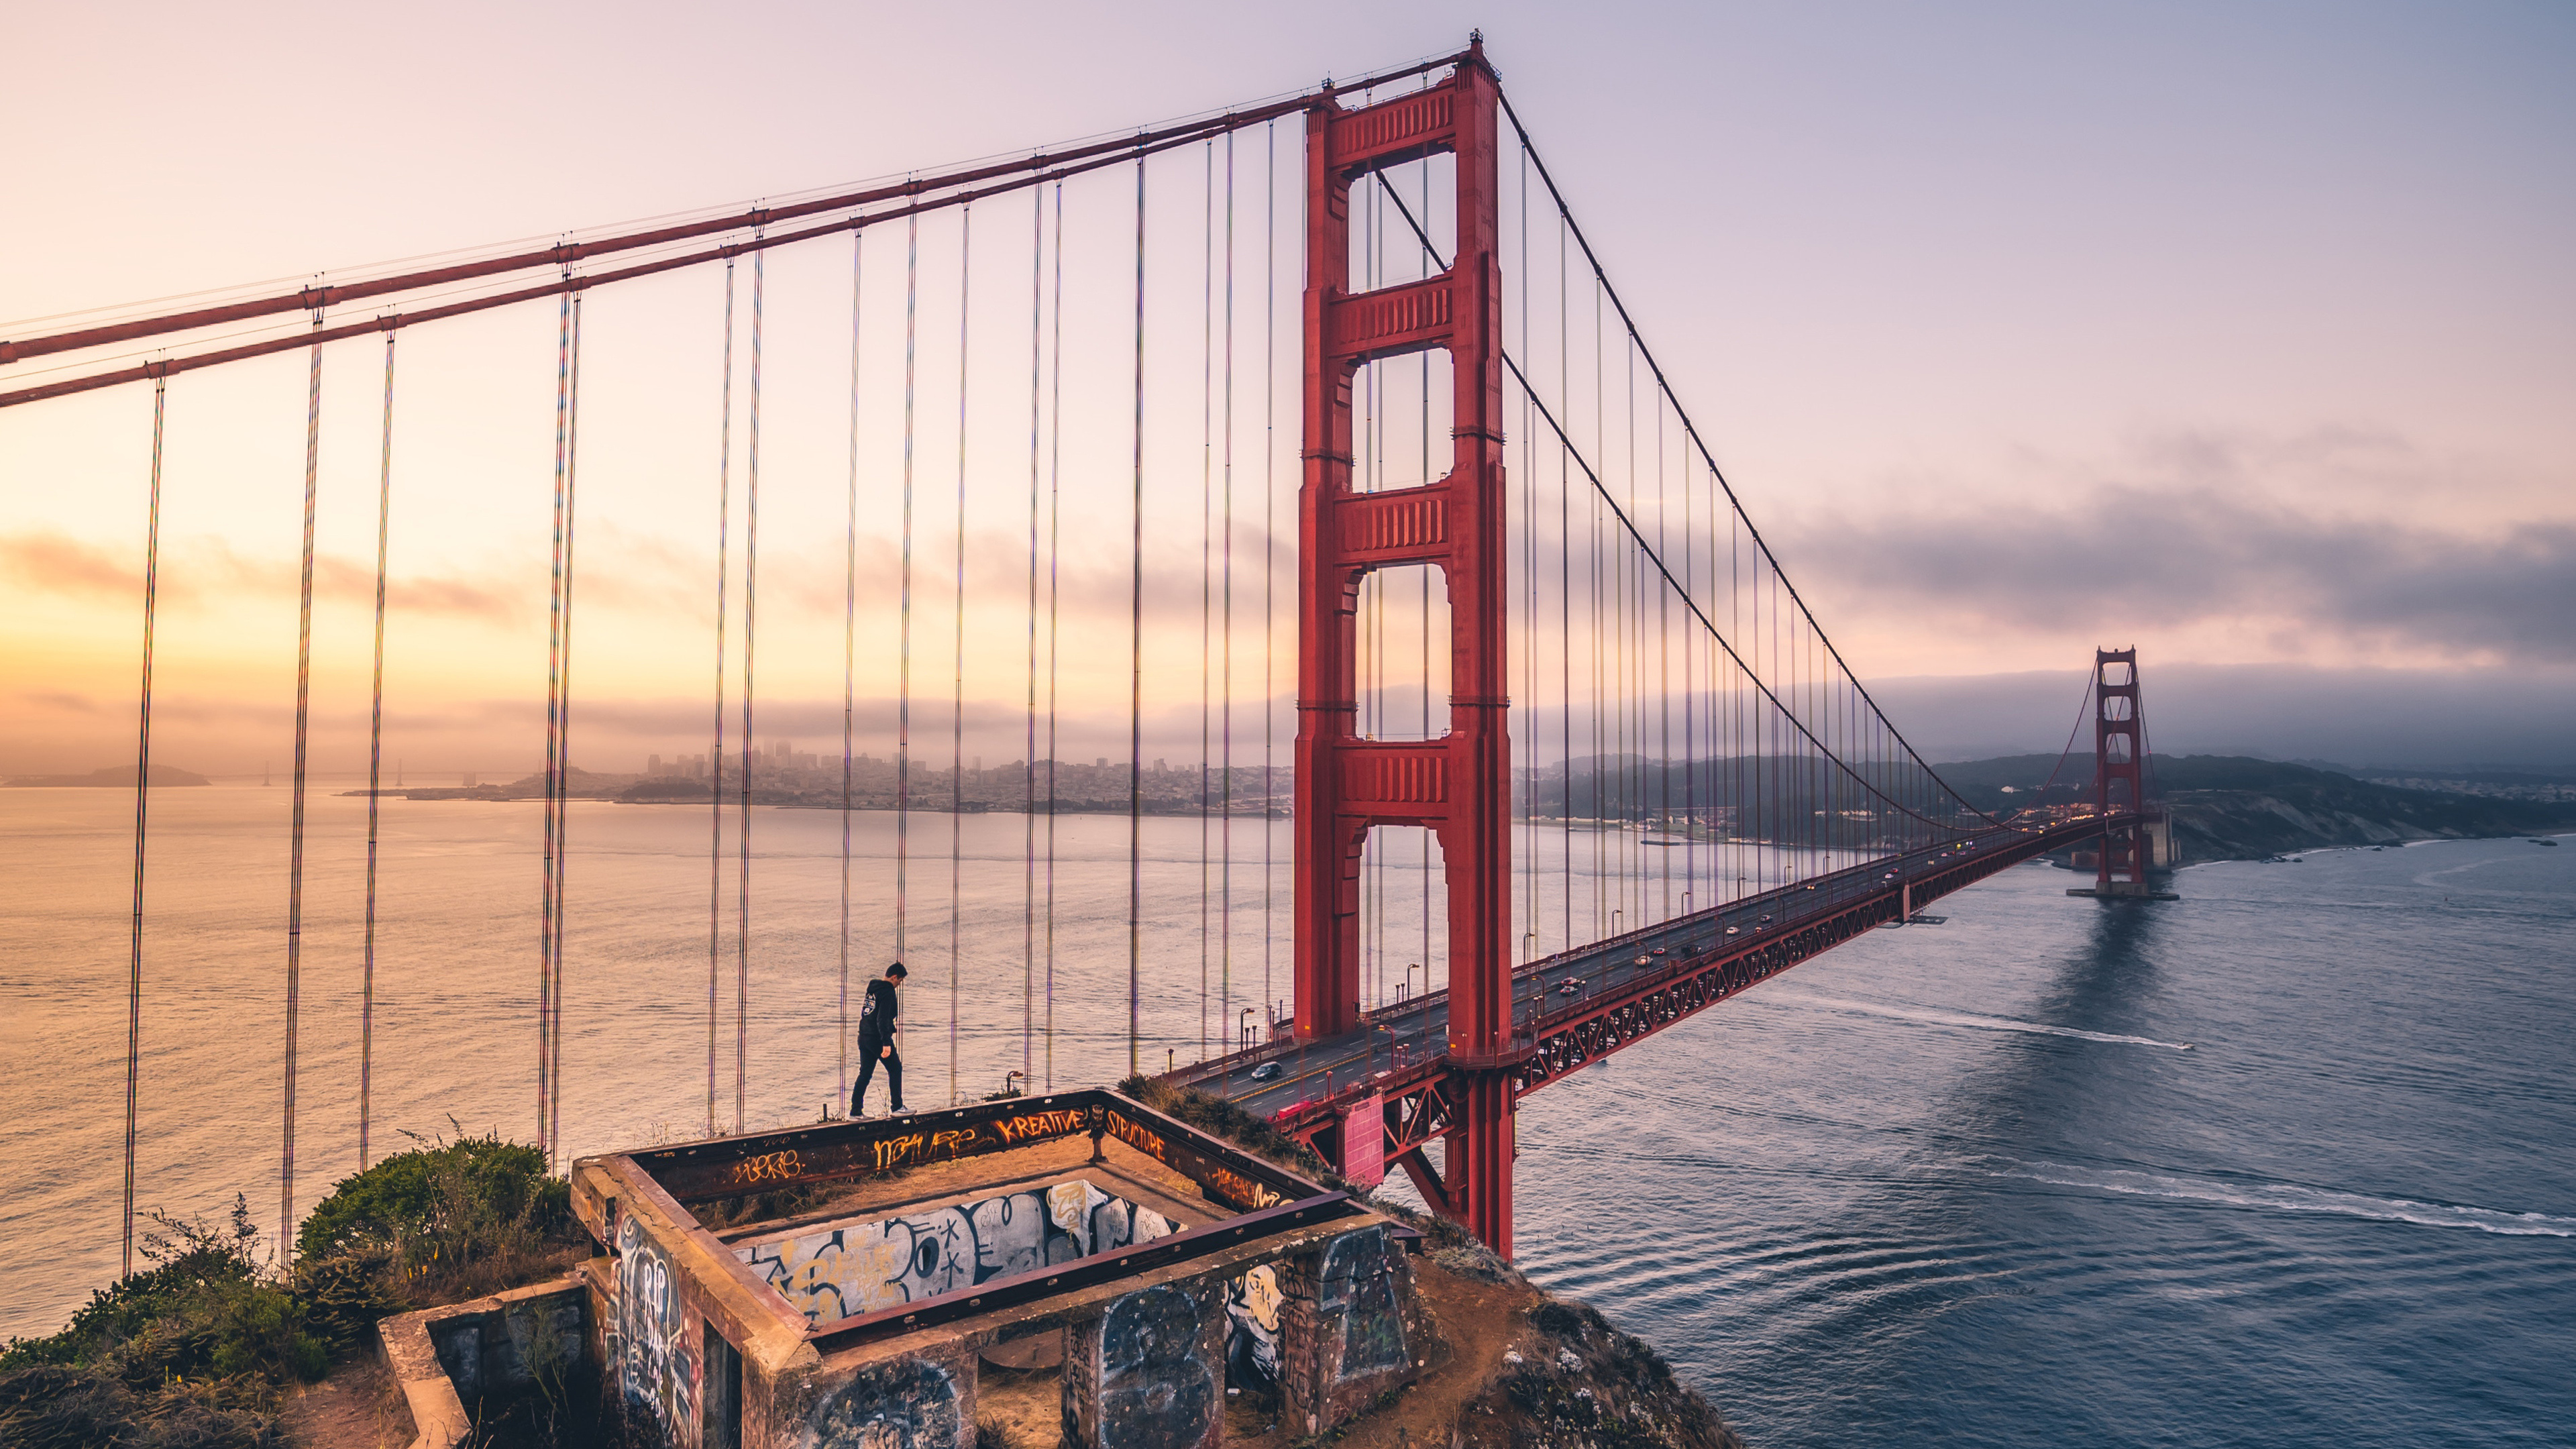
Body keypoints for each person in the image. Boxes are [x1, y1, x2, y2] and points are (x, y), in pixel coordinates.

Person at [851, 961, 908, 1118]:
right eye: (900, 981)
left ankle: (855, 1112)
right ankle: (897, 1108)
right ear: (895, 977)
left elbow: (868, 1013)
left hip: (864, 1037)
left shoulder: (873, 989)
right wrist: (886, 1043)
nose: (899, 984)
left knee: (865, 1074)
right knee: (895, 1069)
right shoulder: (888, 991)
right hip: (877, 1038)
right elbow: (882, 1019)